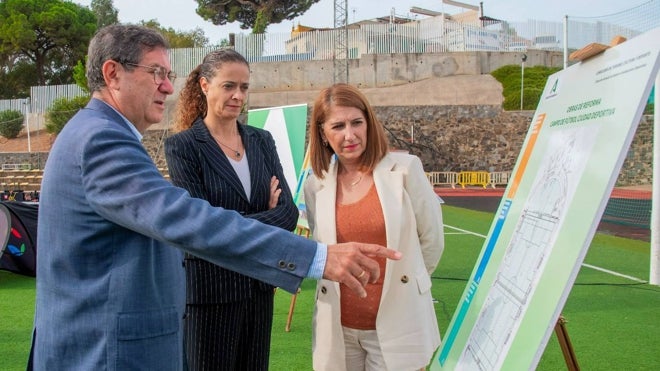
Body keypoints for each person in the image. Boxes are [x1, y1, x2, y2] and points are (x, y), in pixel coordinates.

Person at [28, 25, 400, 371]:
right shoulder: (101, 140)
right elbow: (187, 218)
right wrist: (315, 256)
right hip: (107, 352)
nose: (168, 88)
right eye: (156, 73)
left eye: (168, 76)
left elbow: (251, 214)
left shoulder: (96, 133)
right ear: (113, 74)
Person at [164, 49, 295, 370]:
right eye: (229, 86)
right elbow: (198, 228)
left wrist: (229, 222)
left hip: (259, 287)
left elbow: (289, 214)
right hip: (210, 294)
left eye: (245, 87)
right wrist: (266, 217)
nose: (238, 95)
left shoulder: (262, 141)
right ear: (205, 85)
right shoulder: (183, 147)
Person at [304, 83, 444, 371]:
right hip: (339, 329)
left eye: (357, 122)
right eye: (338, 126)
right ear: (323, 133)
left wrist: (401, 287)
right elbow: (324, 254)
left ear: (368, 122)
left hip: (397, 326)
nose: (350, 134)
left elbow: (431, 242)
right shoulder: (315, 184)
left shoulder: (406, 169)